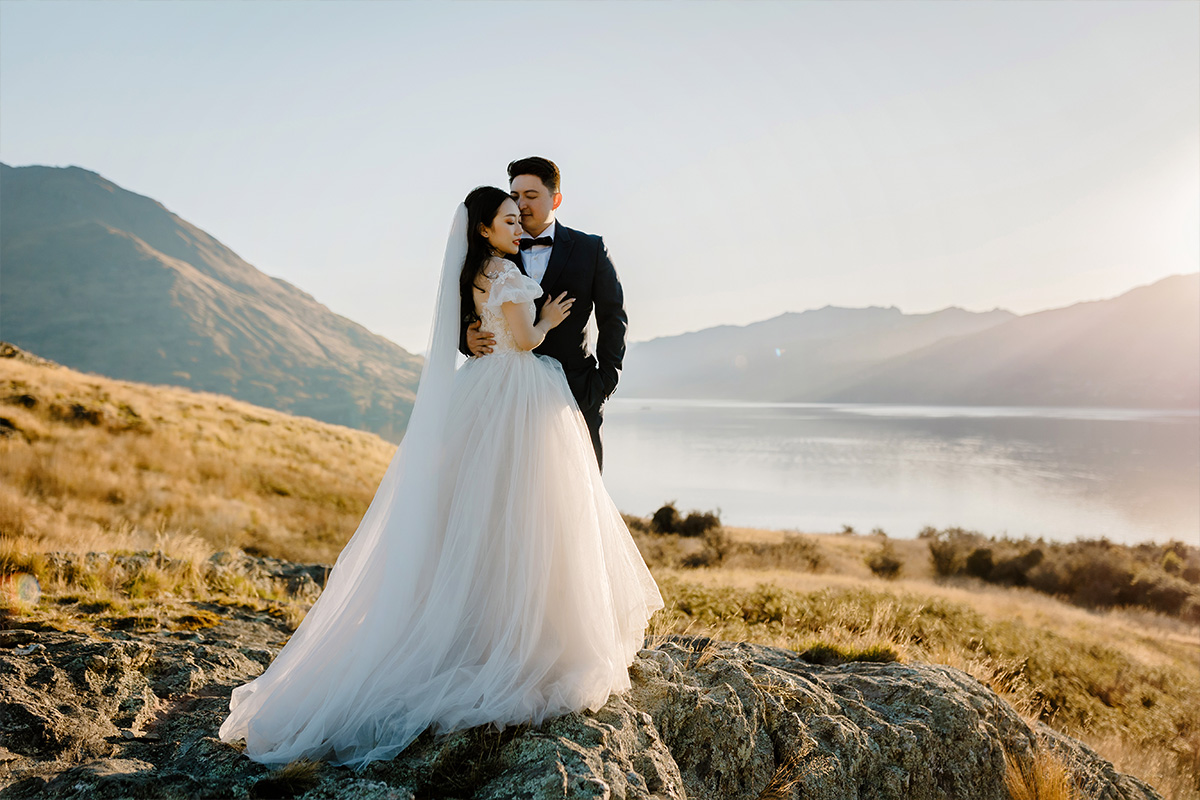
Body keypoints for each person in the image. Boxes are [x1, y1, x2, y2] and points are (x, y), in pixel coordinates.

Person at [217, 186, 663, 772]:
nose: (517, 218)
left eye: (524, 205)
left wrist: (593, 374)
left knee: (497, 510)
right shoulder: (502, 270)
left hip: (491, 396)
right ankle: (511, 636)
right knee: (514, 510)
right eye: (508, 212)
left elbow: (603, 319)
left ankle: (496, 622)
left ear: (552, 196)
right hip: (517, 392)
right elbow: (520, 337)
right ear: (486, 227)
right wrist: (546, 319)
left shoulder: (490, 267)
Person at [462, 157, 626, 472]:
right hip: (503, 398)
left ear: (556, 199)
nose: (520, 204)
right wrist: (465, 338)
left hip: (575, 397)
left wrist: (604, 383)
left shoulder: (590, 249)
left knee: (574, 506)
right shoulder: (490, 256)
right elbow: (465, 311)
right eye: (515, 196)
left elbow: (613, 318)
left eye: (531, 196)